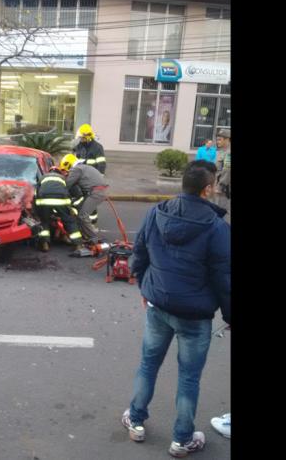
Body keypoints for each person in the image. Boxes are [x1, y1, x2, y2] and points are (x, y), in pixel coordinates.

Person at [121, 160, 230, 458]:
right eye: (216, 184)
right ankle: (182, 440)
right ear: (207, 190)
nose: (218, 189)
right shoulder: (217, 228)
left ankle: (136, 420)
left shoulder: (156, 212)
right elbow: (224, 277)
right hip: (195, 317)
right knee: (189, 377)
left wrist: (144, 285)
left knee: (148, 364)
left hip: (158, 305)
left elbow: (139, 252)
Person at [60, 154, 109, 246]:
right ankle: (86, 234)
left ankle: (93, 238)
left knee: (83, 215)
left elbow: (67, 184)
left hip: (95, 192)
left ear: (68, 164)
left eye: (65, 170)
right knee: (81, 212)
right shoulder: (84, 167)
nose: (66, 172)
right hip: (98, 191)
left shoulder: (76, 169)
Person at [34, 166, 83, 252]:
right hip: (61, 200)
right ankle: (78, 244)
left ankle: (45, 244)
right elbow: (73, 192)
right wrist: (71, 207)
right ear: (59, 172)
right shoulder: (63, 178)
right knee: (69, 221)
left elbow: (36, 193)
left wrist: (38, 210)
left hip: (44, 201)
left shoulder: (43, 177)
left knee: (44, 221)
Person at [214, 129, 231, 222]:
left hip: (224, 189)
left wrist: (220, 187)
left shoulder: (229, 153)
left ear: (227, 139)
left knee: (222, 213)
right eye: (217, 139)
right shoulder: (222, 151)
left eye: (220, 139)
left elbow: (227, 170)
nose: (217, 142)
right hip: (222, 186)